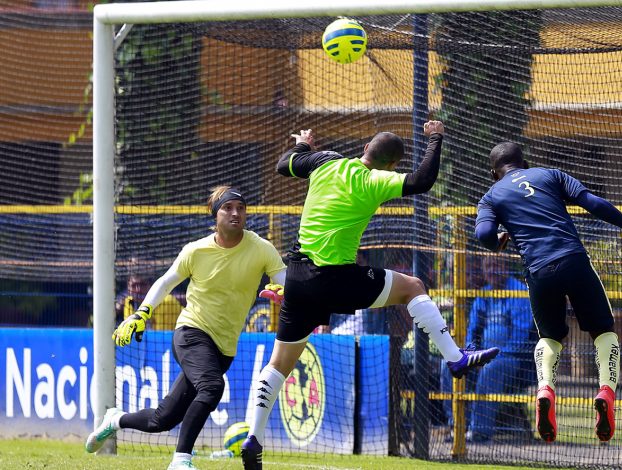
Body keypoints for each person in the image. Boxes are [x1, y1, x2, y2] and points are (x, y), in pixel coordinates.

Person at [241, 121, 500, 470]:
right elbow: (423, 180)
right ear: (391, 166)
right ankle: (455, 358)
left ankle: (253, 437)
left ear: (365, 147)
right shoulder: (377, 181)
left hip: (298, 277)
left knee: (278, 365)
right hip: (335, 278)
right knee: (413, 287)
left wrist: (304, 144)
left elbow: (282, 164)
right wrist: (435, 138)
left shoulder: (326, 163)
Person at [85, 186, 287, 470]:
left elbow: (284, 281)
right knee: (213, 387)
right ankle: (181, 461)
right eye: (228, 208)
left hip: (224, 348)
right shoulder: (195, 250)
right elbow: (166, 282)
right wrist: (142, 313)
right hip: (191, 333)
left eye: (240, 208)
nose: (235, 213)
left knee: (162, 419)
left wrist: (283, 291)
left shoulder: (261, 247)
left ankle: (115, 419)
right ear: (214, 215)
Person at [474, 142, 622, 443]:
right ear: (523, 162)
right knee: (604, 331)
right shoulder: (551, 174)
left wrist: (498, 239)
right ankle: (606, 391)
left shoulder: (491, 196)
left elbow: (483, 235)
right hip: (573, 260)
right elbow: (591, 202)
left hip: (539, 272)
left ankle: (545, 390)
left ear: (494, 173)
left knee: (549, 338)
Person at [439, 254, 536, 442]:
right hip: (483, 357)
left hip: (513, 360)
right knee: (449, 365)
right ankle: (457, 427)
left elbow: (520, 335)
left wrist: (491, 357)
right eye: (488, 266)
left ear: (505, 266)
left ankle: (480, 432)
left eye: (496, 264)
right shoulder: (482, 296)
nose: (492, 269)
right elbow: (473, 332)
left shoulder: (519, 292)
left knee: (491, 369)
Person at [115, 273, 183, 330]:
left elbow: (161, 337)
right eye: (134, 285)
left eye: (142, 285)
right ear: (128, 287)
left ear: (151, 286)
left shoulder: (168, 302)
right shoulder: (128, 302)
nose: (138, 290)